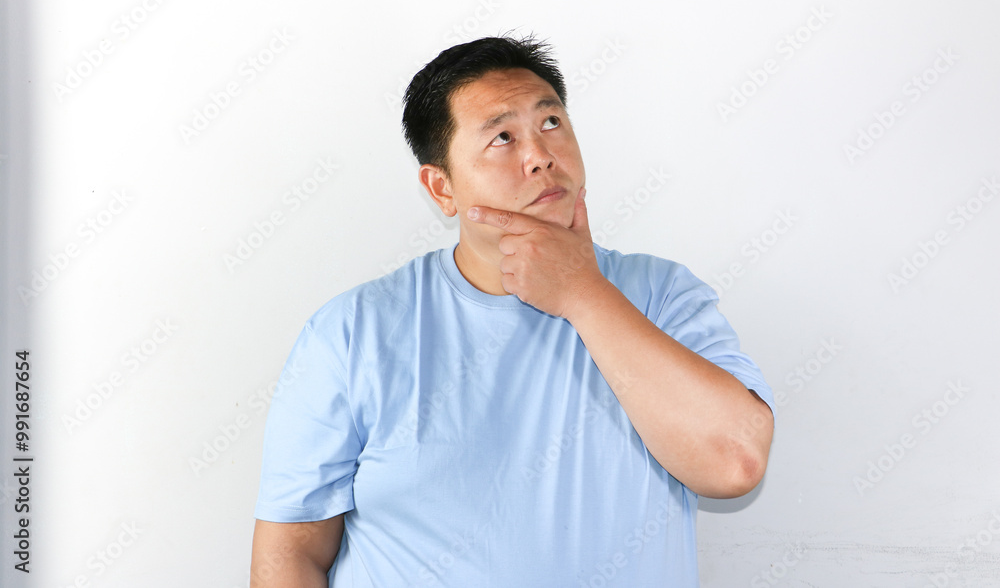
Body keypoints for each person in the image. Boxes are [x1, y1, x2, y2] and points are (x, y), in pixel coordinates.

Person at [249, 33, 775, 587]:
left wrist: (582, 291)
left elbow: (734, 463)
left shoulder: (663, 294)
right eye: (502, 137)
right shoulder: (353, 332)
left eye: (551, 123)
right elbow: (290, 554)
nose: (540, 158)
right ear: (441, 188)